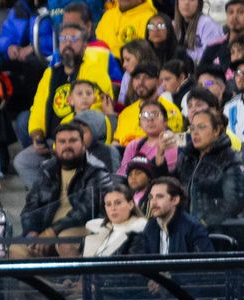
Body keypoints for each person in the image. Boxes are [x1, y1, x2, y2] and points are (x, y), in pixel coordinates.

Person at [14, 22, 113, 187]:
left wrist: (63, 141)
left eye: (73, 38)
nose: (67, 43)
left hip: (79, 142)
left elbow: (94, 114)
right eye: (63, 38)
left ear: (84, 45)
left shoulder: (96, 72)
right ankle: (45, 200)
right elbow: (37, 108)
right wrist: (37, 135)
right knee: (22, 161)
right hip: (51, 142)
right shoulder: (50, 73)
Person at [13, 122, 111, 259]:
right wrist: (32, 232)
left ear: (83, 144)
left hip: (83, 227)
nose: (67, 146)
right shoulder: (47, 169)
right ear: (55, 146)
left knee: (65, 241)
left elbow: (86, 210)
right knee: (16, 249)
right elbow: (31, 205)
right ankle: (39, 281)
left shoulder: (97, 170)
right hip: (47, 231)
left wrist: (51, 232)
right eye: (62, 141)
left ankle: (74, 280)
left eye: (73, 140)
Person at [176, 108, 244, 228]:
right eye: (192, 128)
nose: (195, 132)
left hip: (215, 230)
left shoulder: (232, 159)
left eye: (202, 127)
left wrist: (200, 224)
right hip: (185, 228)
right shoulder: (187, 157)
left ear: (216, 130)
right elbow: (172, 188)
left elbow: (232, 204)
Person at [132, 177, 216, 253]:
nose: (153, 203)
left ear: (175, 200)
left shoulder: (193, 228)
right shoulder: (150, 226)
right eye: (150, 197)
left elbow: (206, 266)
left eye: (159, 196)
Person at [114, 63, 186, 146]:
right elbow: (117, 141)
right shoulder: (126, 113)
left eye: (147, 78)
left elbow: (172, 144)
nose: (140, 82)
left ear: (159, 82)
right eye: (137, 78)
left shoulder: (170, 111)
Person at [118, 98, 182, 176]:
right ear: (140, 124)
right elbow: (123, 174)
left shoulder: (175, 140)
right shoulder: (133, 145)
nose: (150, 119)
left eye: (155, 115)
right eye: (144, 116)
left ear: (165, 121)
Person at [83, 183, 149, 255]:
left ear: (130, 204)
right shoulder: (99, 229)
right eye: (108, 204)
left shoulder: (138, 231)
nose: (113, 208)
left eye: (118, 203)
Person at [199, 0, 244, 72]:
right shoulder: (213, 46)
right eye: (230, 12)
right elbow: (201, 76)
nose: (234, 16)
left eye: (241, 12)